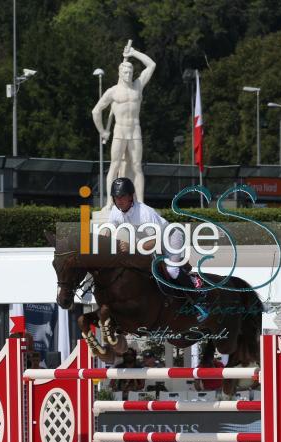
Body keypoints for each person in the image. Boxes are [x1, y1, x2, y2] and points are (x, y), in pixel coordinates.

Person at [106, 177, 207, 320]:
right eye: (116, 197)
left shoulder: (145, 212)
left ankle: (198, 296)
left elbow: (156, 241)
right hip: (148, 242)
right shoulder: (115, 212)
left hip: (170, 238)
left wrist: (131, 247)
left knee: (172, 270)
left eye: (122, 196)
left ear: (130, 197)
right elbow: (107, 232)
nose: (119, 200)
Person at [92, 43, 156, 208]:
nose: (128, 74)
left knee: (137, 166)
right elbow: (96, 111)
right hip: (119, 131)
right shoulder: (112, 91)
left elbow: (151, 65)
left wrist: (134, 52)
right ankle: (108, 203)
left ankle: (140, 201)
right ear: (120, 72)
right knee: (114, 165)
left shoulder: (138, 86)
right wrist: (102, 131)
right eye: (125, 72)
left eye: (130, 72)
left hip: (135, 130)